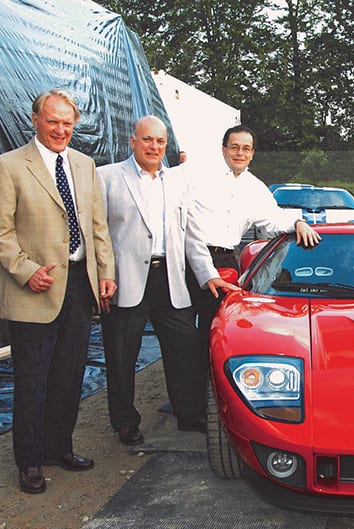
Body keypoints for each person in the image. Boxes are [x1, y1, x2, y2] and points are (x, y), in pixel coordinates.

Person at [0, 89, 116, 493]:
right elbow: (2, 232)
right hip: (35, 289)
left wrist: (106, 272)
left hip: (80, 288)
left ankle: (58, 448)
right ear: (35, 120)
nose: (60, 129)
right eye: (53, 121)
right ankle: (29, 462)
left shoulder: (84, 165)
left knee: (69, 376)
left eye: (67, 123)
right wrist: (26, 271)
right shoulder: (10, 166)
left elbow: (97, 226)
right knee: (32, 380)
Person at [97, 115, 236, 446]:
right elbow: (97, 234)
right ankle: (125, 422)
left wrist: (207, 275)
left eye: (160, 141)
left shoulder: (177, 182)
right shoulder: (107, 178)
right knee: (121, 357)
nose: (154, 147)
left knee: (185, 349)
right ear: (132, 141)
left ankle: (188, 414)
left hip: (171, 281)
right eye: (147, 140)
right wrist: (102, 277)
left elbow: (191, 236)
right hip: (126, 282)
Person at [187, 124, 320, 365]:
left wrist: (298, 222)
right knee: (183, 334)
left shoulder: (256, 188)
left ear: (252, 153)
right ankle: (185, 400)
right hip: (189, 258)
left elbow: (274, 220)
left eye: (246, 148)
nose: (240, 153)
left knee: (216, 330)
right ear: (223, 149)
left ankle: (207, 392)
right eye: (234, 147)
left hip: (227, 262)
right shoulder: (197, 177)